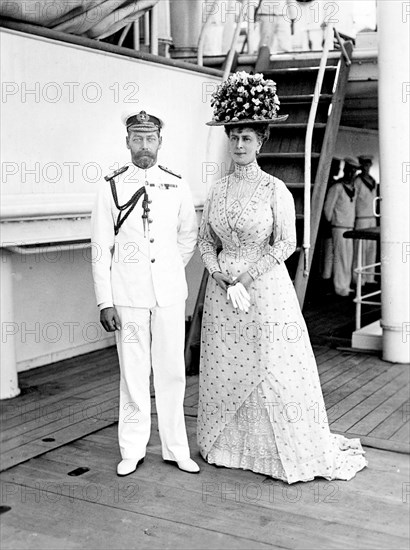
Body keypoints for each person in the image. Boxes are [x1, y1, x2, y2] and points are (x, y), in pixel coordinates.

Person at [197, 72, 367, 484]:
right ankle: (227, 446)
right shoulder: (217, 190)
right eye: (234, 136)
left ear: (261, 142)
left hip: (265, 289)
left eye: (247, 138)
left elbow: (286, 243)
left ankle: (280, 451)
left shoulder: (275, 189)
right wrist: (220, 275)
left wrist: (247, 277)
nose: (239, 145)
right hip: (224, 296)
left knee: (273, 367)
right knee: (226, 369)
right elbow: (205, 241)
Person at [91, 110, 199, 476]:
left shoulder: (177, 183)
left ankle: (176, 448)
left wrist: (167, 269)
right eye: (137, 139)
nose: (144, 146)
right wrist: (105, 301)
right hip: (127, 295)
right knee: (133, 374)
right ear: (127, 142)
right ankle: (132, 449)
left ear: (160, 142)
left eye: (150, 139)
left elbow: (188, 236)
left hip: (169, 294)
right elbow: (100, 248)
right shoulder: (111, 185)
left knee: (172, 372)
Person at [323, 157, 360, 297]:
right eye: (349, 170)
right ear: (345, 170)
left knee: (348, 257)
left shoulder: (354, 188)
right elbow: (328, 209)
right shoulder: (337, 187)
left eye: (354, 171)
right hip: (339, 227)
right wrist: (335, 222)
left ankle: (346, 285)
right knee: (340, 258)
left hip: (349, 227)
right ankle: (340, 287)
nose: (351, 174)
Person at [353, 154, 378, 286]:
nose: (366, 167)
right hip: (361, 218)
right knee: (360, 249)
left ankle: (370, 277)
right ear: (361, 165)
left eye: (368, 164)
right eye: (364, 164)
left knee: (371, 249)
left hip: (372, 218)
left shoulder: (373, 181)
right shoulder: (357, 181)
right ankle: (359, 279)